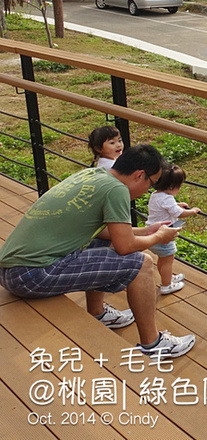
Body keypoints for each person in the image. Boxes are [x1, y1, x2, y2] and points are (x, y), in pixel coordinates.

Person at [0, 144, 196, 358]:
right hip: (32, 275)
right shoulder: (117, 190)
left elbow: (105, 232)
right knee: (143, 263)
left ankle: (98, 313)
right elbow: (126, 246)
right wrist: (159, 237)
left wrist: (147, 230)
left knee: (101, 243)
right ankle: (153, 343)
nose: (147, 192)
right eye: (151, 184)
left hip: (12, 270)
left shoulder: (95, 175)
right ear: (140, 175)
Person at [147, 164, 200, 296]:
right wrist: (192, 211)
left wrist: (177, 204)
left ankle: (167, 277)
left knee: (162, 259)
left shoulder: (155, 195)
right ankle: (166, 285)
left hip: (151, 231)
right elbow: (179, 214)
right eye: (179, 186)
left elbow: (167, 206)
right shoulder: (167, 198)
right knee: (167, 260)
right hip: (163, 235)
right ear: (171, 187)